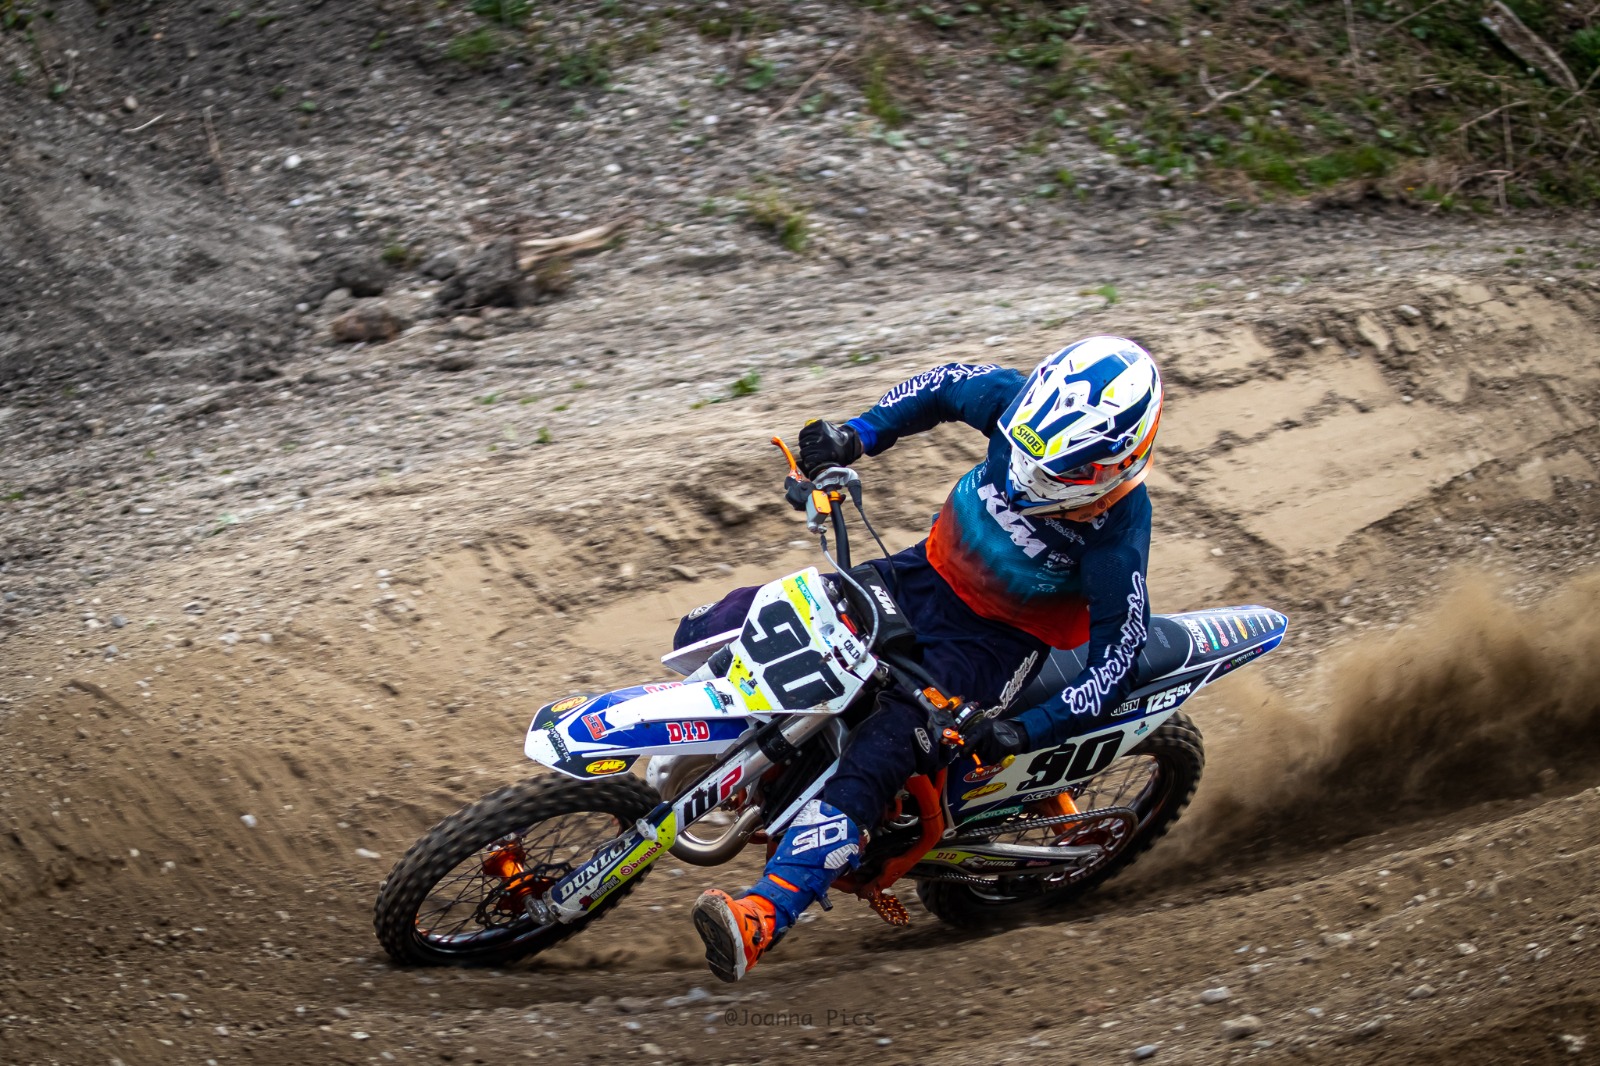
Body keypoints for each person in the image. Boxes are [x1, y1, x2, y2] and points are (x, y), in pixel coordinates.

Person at [684, 335, 1163, 982]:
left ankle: (763, 916)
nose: (1027, 477)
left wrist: (1020, 731)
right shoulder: (1017, 405)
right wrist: (856, 435)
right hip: (916, 576)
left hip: (990, 647)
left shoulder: (1118, 538)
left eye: (1059, 473)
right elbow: (942, 385)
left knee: (886, 744)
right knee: (737, 618)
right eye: (1025, 452)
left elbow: (1118, 662)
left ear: (1118, 464)